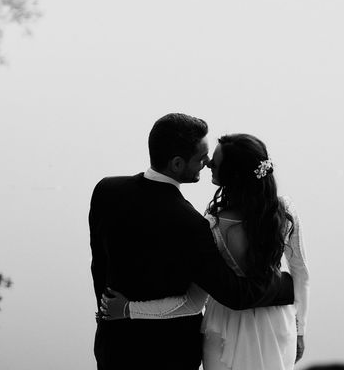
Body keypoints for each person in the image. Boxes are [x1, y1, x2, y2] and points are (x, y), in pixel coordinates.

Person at [90, 114, 295, 370]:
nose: (208, 162)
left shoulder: (106, 190)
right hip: (170, 354)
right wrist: (288, 286)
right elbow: (231, 294)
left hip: (113, 346)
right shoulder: (190, 223)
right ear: (177, 164)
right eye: (201, 157)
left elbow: (99, 264)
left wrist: (107, 314)